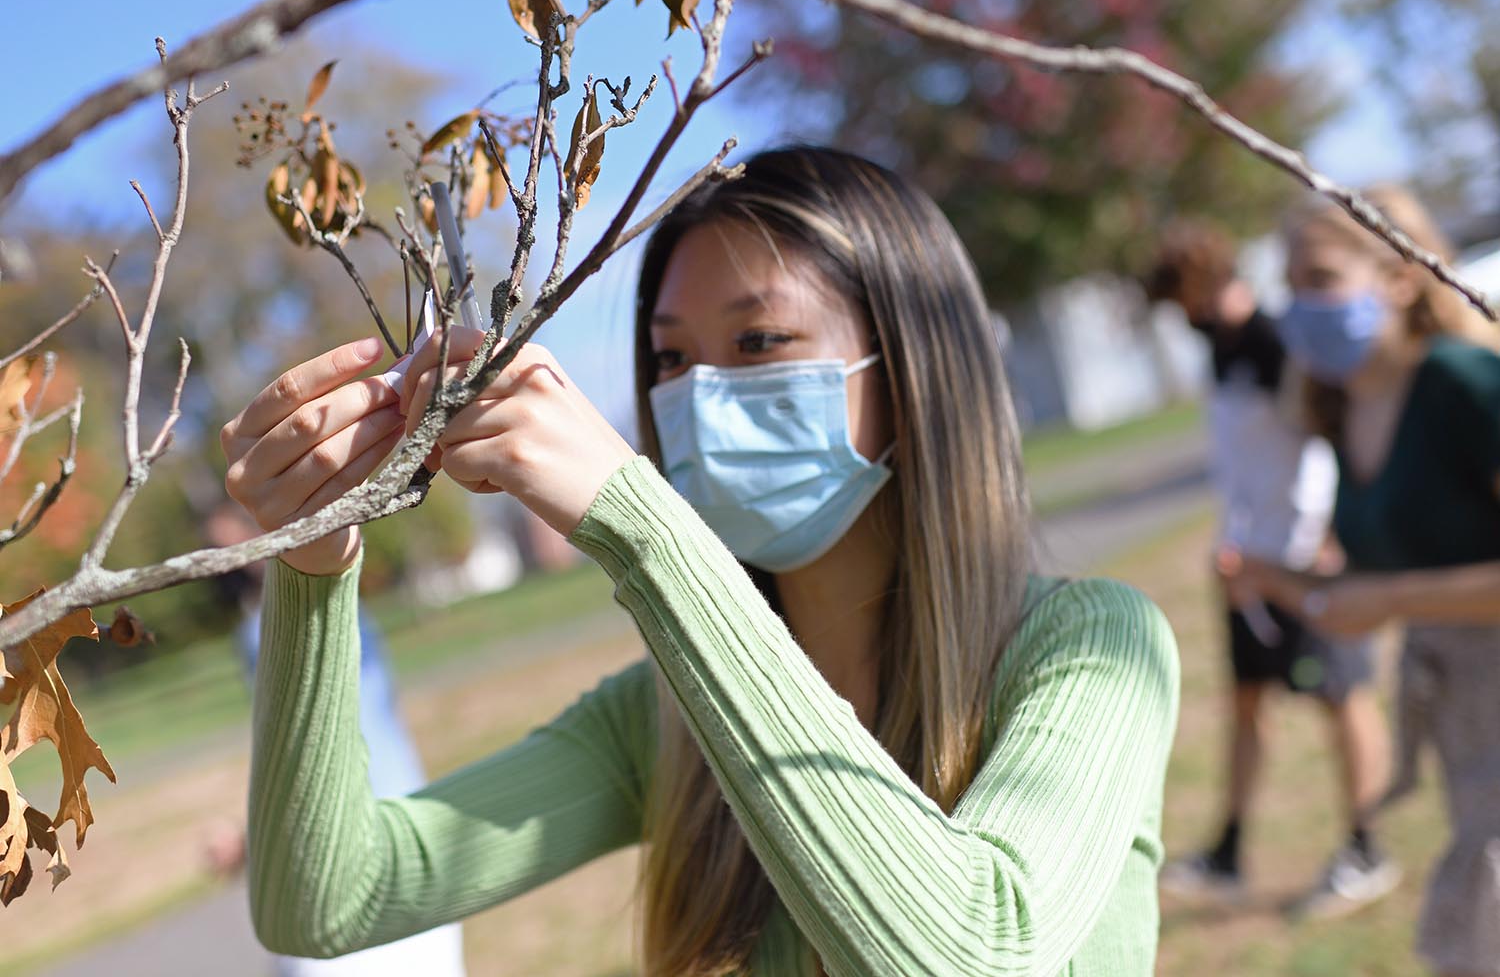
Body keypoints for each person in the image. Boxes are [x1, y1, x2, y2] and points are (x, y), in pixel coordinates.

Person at [219, 146, 1180, 975]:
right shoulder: (663, 720)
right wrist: (311, 569)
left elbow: (967, 954)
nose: (700, 399)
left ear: (909, 369)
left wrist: (639, 523)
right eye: (672, 362)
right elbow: (330, 900)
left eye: (758, 341)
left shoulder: (1090, 647)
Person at [1229, 185, 1500, 977]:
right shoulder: (1339, 407)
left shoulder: (1463, 384)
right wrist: (1279, 580)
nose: (1298, 307)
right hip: (1464, 715)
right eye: (1290, 285)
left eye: (1318, 279)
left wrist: (1391, 601)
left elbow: (1397, 591)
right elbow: (1383, 578)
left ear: (1401, 278)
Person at [1146, 222, 1399, 918]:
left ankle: (1366, 846)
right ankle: (1228, 852)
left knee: (1343, 698)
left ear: (1206, 283)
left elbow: (1329, 440)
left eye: (1184, 302)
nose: (1184, 319)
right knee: (1248, 704)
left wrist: (1326, 535)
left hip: (1303, 563)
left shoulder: (1280, 345)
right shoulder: (1219, 351)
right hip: (1246, 563)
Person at [201, 503, 467, 977]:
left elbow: (322, 740)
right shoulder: (268, 630)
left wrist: (253, 838)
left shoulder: (285, 627)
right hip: (384, 832)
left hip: (372, 841)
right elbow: (297, 744)